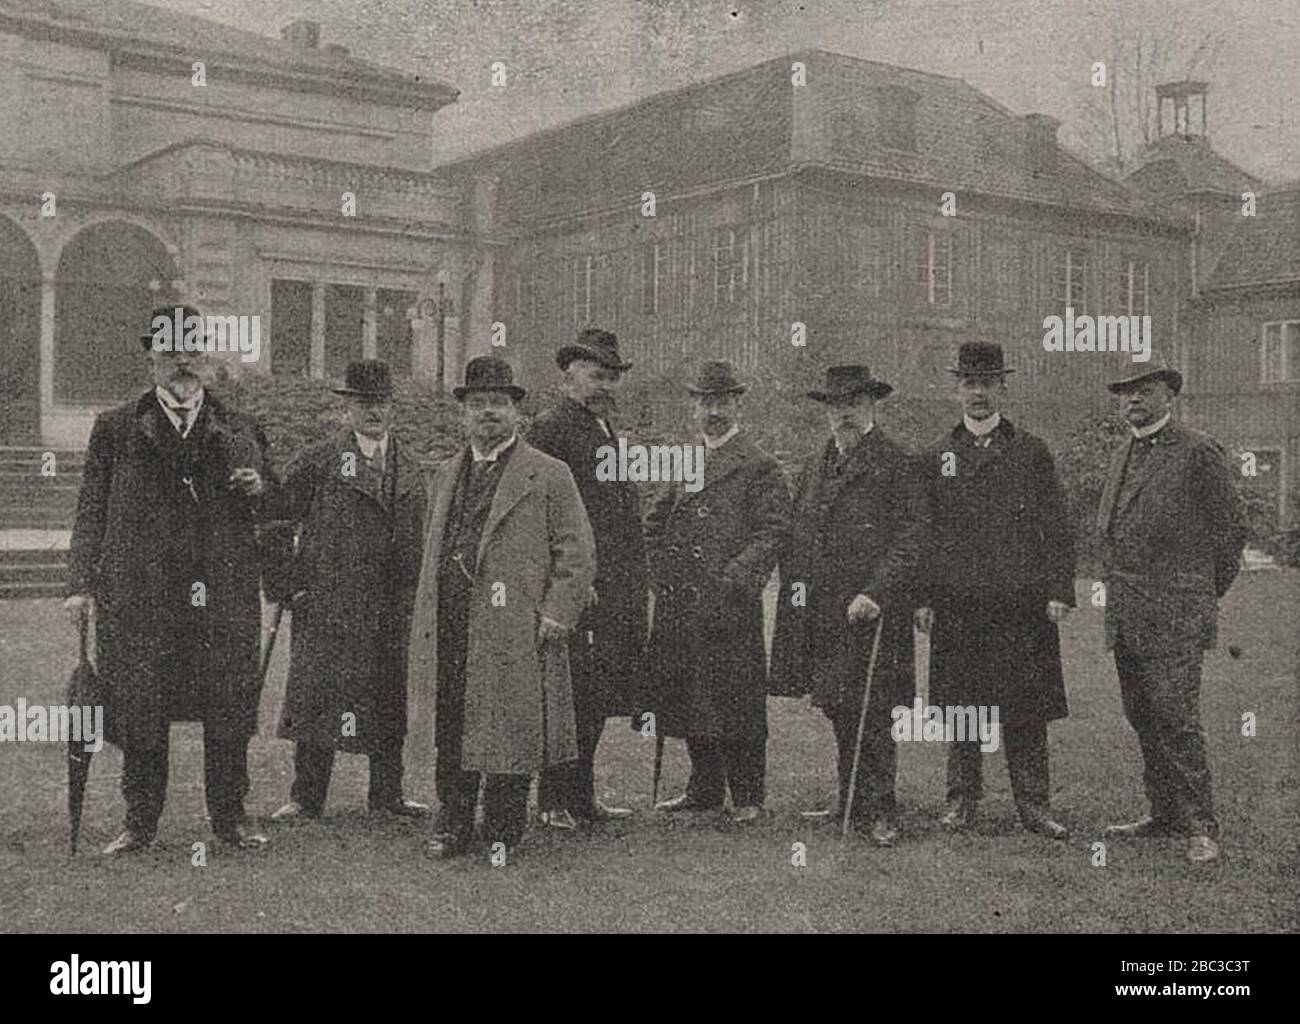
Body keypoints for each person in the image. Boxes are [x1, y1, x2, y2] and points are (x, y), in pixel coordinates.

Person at [65, 304, 271, 854]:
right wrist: (80, 584)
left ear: (204, 357)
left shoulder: (240, 426)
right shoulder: (115, 427)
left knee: (226, 709)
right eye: (170, 349)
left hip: (221, 595)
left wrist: (259, 490)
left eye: (192, 349)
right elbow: (92, 508)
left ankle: (230, 818)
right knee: (141, 707)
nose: (182, 360)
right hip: (142, 595)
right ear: (151, 356)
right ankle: (140, 822)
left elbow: (270, 504)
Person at [406, 356, 596, 860]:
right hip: (452, 621)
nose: (487, 413)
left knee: (511, 725)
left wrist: (558, 613)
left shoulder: (549, 475)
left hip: (517, 624)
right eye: (477, 404)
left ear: (517, 412)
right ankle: (452, 822)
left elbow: (576, 552)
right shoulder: (445, 474)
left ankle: (503, 828)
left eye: (498, 403)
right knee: (454, 722)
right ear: (463, 414)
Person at [915, 341, 1074, 839]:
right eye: (969, 383)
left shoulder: (1031, 451)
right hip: (959, 605)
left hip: (1021, 606)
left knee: (1024, 709)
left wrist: (1059, 590)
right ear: (957, 389)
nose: (977, 393)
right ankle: (961, 801)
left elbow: (1058, 526)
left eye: (986, 384)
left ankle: (1034, 806)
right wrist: (923, 597)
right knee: (963, 707)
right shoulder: (940, 454)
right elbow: (925, 530)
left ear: (1003, 388)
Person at [264, 360, 428, 823]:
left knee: (389, 695)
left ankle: (388, 794)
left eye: (381, 403)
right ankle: (306, 796)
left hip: (392, 605)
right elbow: (275, 520)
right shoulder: (318, 461)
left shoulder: (410, 466)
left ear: (392, 407)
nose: (373, 412)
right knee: (319, 697)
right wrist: (288, 585)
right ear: (347, 409)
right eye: (363, 403)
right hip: (328, 602)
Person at [1097, 355, 1246, 864]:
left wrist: (1199, 593)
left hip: (1176, 614)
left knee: (1177, 718)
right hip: (1128, 613)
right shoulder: (1123, 453)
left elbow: (1231, 533)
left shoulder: (1198, 451)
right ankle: (1163, 813)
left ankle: (1201, 825)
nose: (1133, 399)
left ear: (1169, 395)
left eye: (1144, 389)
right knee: (1141, 715)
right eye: (1126, 391)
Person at [769, 364, 924, 846]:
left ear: (871, 406)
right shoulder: (816, 463)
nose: (845, 415)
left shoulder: (896, 463)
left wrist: (876, 592)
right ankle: (852, 799)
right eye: (837, 407)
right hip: (826, 613)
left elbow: (912, 537)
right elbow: (801, 532)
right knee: (839, 707)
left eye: (854, 405)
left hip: (872, 613)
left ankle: (881, 810)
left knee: (874, 712)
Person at [647, 360, 790, 824]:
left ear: (737, 405)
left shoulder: (759, 465)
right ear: (694, 407)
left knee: (738, 699)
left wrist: (735, 578)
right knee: (692, 696)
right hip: (683, 604)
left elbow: (772, 531)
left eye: (723, 402)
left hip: (730, 604)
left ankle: (748, 795)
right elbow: (655, 522)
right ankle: (704, 789)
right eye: (706, 403)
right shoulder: (683, 461)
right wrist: (656, 570)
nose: (714, 412)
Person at [530, 329, 647, 829]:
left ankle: (581, 796)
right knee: (565, 693)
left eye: (613, 378)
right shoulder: (550, 431)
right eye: (597, 376)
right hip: (578, 589)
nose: (606, 386)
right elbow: (542, 516)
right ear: (568, 376)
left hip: (614, 587)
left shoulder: (606, 432)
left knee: (596, 694)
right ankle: (553, 799)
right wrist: (568, 583)